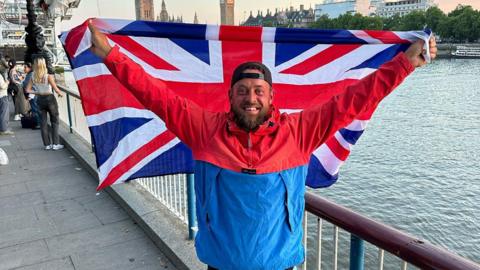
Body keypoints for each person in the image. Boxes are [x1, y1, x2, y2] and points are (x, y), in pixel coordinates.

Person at [88, 22, 437, 269]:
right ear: (230, 97)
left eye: (258, 92)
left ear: (272, 97)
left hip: (279, 264)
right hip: (221, 264)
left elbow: (355, 98)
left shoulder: (300, 131)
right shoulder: (203, 129)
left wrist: (405, 63)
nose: (250, 99)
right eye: (242, 92)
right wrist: (109, 54)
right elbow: (155, 94)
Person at [25, 57, 64, 150]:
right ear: (44, 65)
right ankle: (55, 144)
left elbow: (27, 90)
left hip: (40, 100)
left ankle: (47, 145)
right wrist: (60, 94)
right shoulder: (48, 76)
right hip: (50, 99)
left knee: (43, 123)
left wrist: (38, 92)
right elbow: (56, 89)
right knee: (54, 121)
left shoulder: (33, 76)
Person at [22, 62, 40, 129]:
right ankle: (37, 123)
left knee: (35, 108)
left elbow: (33, 86)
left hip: (32, 95)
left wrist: (30, 96)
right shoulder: (29, 74)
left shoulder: (31, 74)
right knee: (34, 108)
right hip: (31, 94)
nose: (24, 69)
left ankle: (38, 123)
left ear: (30, 67)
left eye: (25, 67)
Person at [0, 68, 13, 135]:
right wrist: (7, 83)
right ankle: (4, 130)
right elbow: (2, 86)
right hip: (2, 95)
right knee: (4, 113)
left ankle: (2, 128)